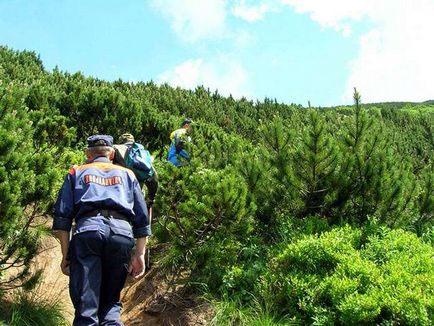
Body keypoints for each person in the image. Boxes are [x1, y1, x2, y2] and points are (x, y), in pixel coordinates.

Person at [53, 135, 151, 326]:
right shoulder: (128, 174)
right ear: (112, 153)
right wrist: (140, 254)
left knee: (86, 308)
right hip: (121, 235)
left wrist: (66, 255)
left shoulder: (76, 172)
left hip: (88, 232)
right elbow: (142, 219)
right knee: (111, 303)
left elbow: (62, 219)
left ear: (88, 154)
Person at [113, 133, 158, 208]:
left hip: (118, 194)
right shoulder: (142, 152)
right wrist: (151, 198)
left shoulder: (116, 150)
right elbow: (153, 179)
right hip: (137, 195)